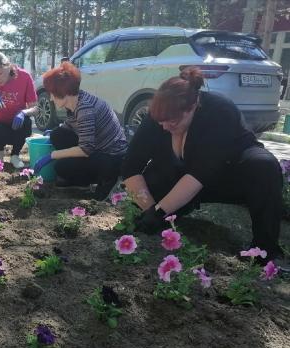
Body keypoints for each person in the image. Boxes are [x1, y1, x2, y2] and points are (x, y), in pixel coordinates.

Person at [122, 66, 286, 266]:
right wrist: (151, 211)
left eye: (172, 122)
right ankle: (168, 216)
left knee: (264, 166)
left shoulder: (219, 111)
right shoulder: (159, 117)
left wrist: (159, 212)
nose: (164, 127)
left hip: (225, 172)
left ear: (192, 108)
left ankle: (265, 250)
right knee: (149, 187)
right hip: (181, 175)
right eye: (161, 122)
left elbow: (201, 173)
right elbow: (131, 167)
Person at [33, 62, 127, 199]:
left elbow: (86, 149)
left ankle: (108, 180)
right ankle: (79, 177)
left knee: (61, 167)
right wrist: (52, 135)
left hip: (111, 157)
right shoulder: (76, 100)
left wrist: (52, 155)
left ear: (64, 93)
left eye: (53, 94)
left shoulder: (85, 109)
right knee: (57, 135)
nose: (51, 98)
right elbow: (71, 124)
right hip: (98, 146)